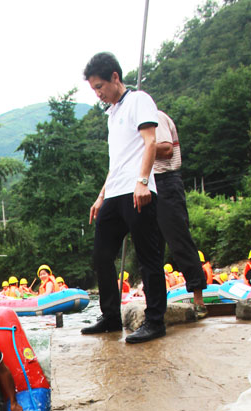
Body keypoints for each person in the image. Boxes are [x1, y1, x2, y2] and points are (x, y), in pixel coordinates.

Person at [82, 52, 167, 343]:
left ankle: (155, 321)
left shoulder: (138, 100)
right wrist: (100, 195)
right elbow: (116, 162)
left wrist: (143, 182)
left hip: (138, 191)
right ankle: (110, 317)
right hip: (114, 193)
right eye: (94, 89)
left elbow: (151, 142)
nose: (98, 93)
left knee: (148, 257)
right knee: (101, 257)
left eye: (99, 86)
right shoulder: (112, 114)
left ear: (115, 77)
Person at [153, 110, 207, 317]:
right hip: (145, 184)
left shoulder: (154, 117)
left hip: (165, 180)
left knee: (179, 239)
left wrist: (141, 148)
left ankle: (198, 299)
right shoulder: (131, 126)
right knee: (150, 246)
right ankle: (156, 302)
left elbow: (166, 150)